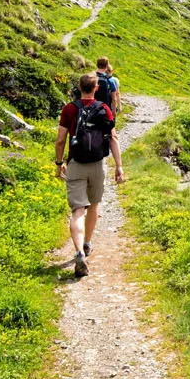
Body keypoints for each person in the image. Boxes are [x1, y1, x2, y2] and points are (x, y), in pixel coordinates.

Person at [56, 72, 125, 277]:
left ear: (79, 87)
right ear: (96, 88)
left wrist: (59, 163)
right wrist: (119, 166)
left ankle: (78, 252)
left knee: (78, 210)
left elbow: (60, 140)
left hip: (76, 164)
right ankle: (86, 244)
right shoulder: (103, 109)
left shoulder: (69, 109)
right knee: (94, 205)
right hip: (97, 164)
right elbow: (113, 139)